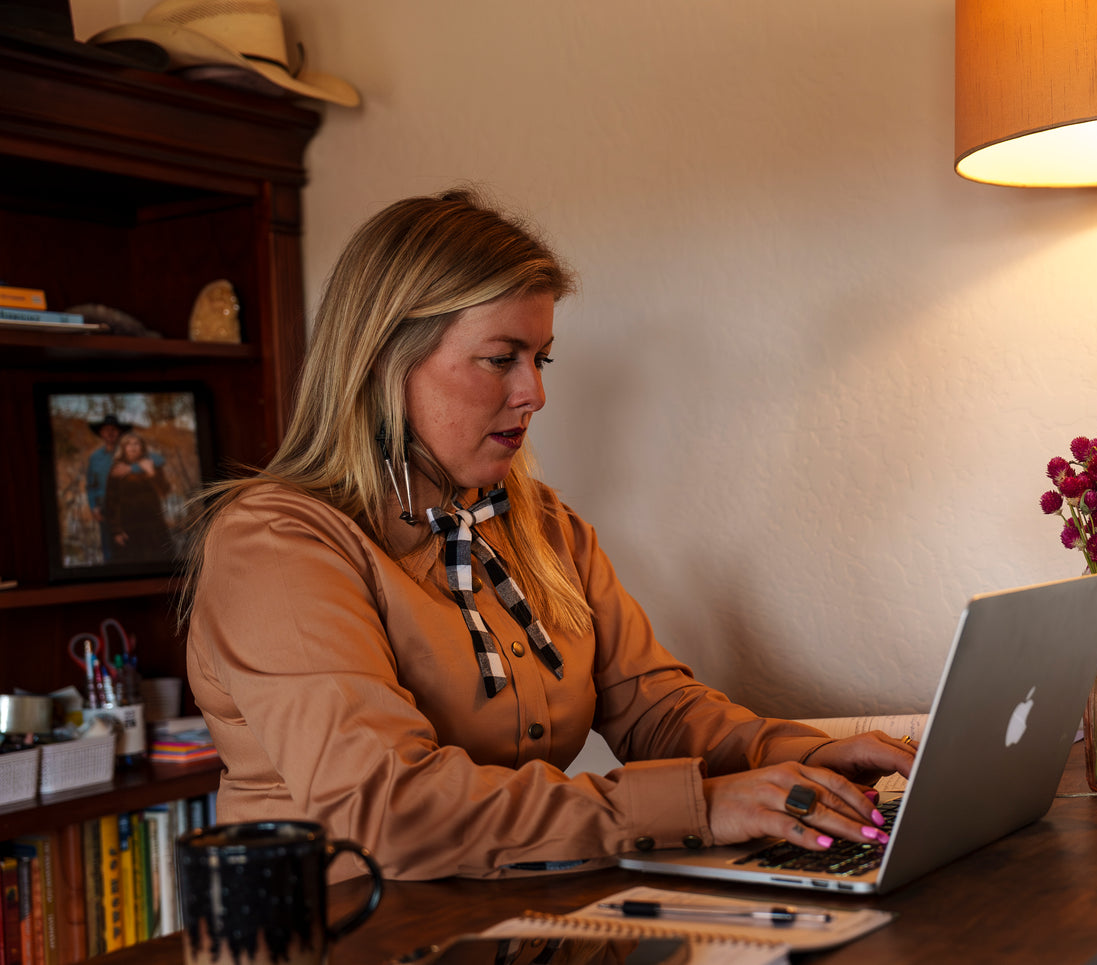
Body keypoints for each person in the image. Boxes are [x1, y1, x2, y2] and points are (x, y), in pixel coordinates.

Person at [181, 187, 915, 881]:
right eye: (501, 358)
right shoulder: (276, 544)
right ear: (382, 360)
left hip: (512, 914)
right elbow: (387, 806)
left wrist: (813, 755)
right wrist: (698, 807)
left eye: (540, 358)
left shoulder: (539, 525)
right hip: (353, 932)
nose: (534, 392)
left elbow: (656, 710)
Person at [86, 413, 165, 562]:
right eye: (106, 430)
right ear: (101, 433)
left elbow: (158, 459)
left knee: (135, 553)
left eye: (114, 429)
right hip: (105, 510)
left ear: (120, 432)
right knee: (110, 551)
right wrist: (93, 506)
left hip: (128, 513)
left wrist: (132, 468)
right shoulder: (95, 457)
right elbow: (91, 485)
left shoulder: (130, 450)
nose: (110, 433)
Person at [103, 431, 173, 563]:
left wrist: (151, 472)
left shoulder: (151, 465)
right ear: (123, 448)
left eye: (136, 444)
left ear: (142, 447)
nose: (133, 447)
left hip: (153, 525)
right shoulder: (117, 469)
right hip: (128, 526)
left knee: (160, 564)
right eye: (128, 444)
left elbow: (164, 491)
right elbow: (111, 502)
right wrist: (116, 530)